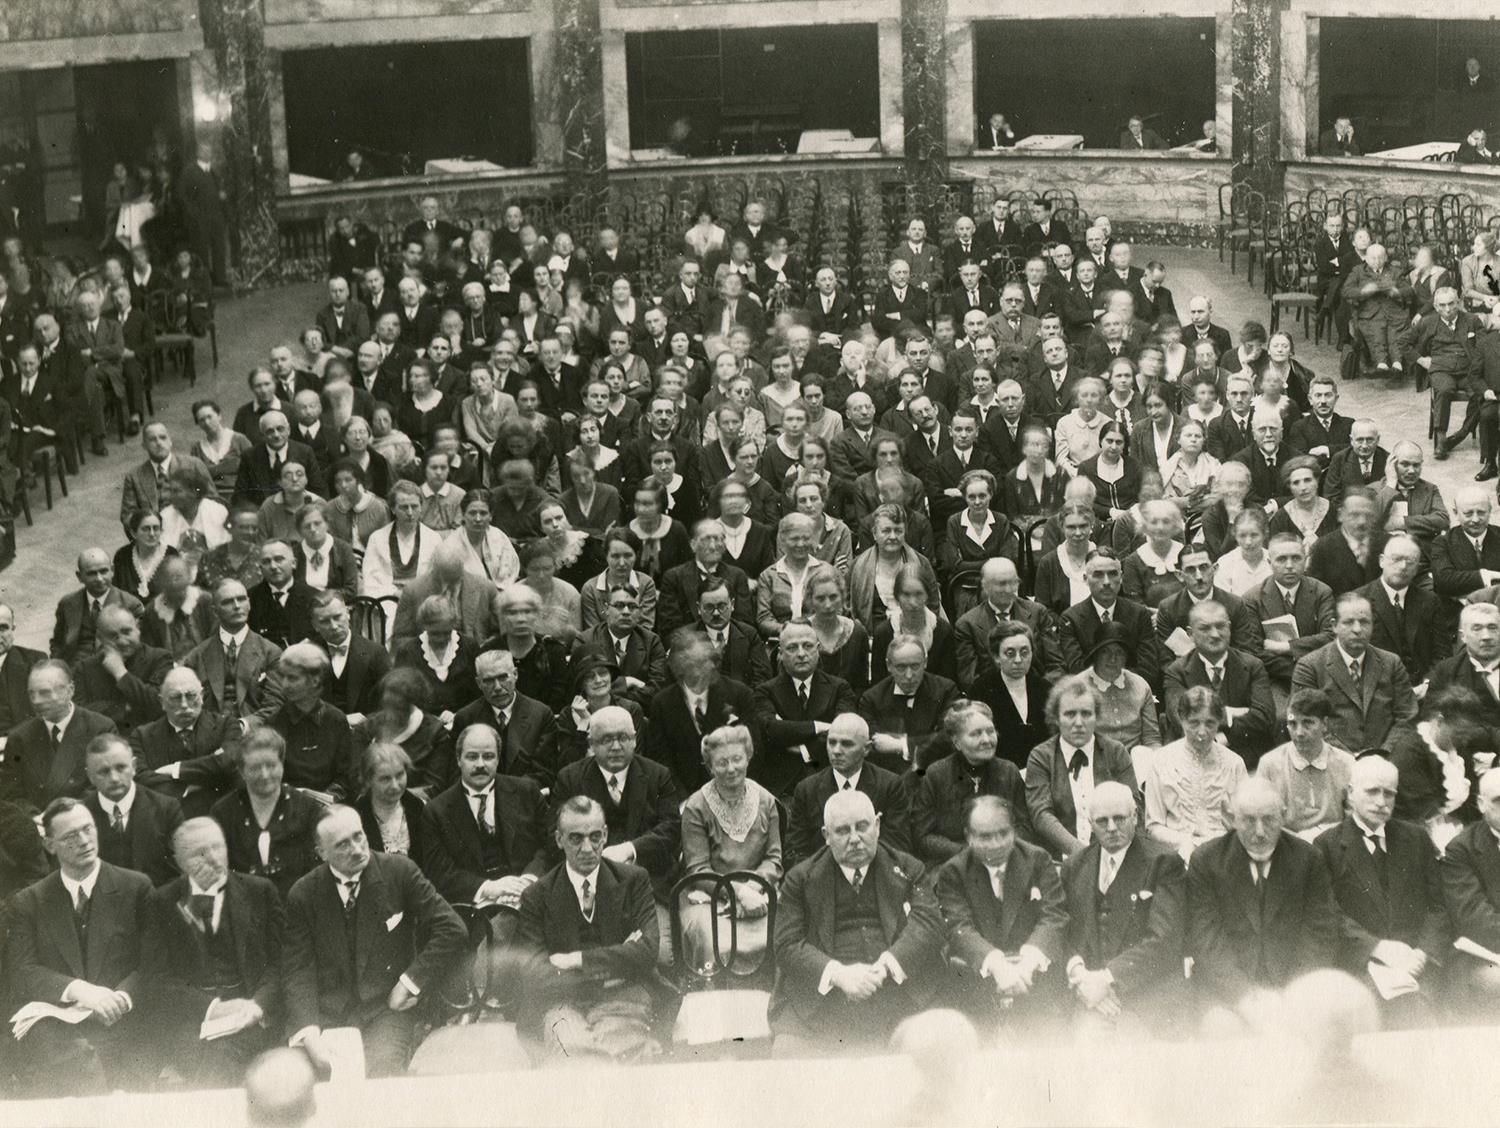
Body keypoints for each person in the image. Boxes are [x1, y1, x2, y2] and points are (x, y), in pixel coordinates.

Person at [282, 804, 466, 1078]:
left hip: (384, 1010)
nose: (356, 849)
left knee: (381, 1076)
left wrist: (409, 983)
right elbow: (298, 970)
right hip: (325, 1014)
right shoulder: (304, 894)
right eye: (342, 845)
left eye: (359, 836)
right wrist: (310, 1034)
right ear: (321, 853)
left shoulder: (399, 872)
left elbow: (452, 928)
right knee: (299, 1078)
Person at [770, 789, 942, 1053]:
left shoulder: (909, 869)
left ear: (878, 825)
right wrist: (839, 975)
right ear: (826, 836)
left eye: (862, 827)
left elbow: (929, 925)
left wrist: (885, 966)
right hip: (823, 1002)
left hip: (896, 992)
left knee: (934, 1049)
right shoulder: (800, 879)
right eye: (842, 831)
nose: (855, 839)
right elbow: (787, 944)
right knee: (790, 1059)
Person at [3, 797, 155, 1095]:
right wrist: (79, 989)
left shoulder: (136, 887)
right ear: (50, 845)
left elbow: (154, 963)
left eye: (88, 829)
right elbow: (23, 970)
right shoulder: (29, 901)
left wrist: (122, 998)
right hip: (62, 1031)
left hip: (124, 1020)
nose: (84, 841)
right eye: (70, 836)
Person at [513, 795, 661, 1062]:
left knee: (619, 1048)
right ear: (559, 839)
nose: (587, 848)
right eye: (575, 838)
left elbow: (648, 952)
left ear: (605, 835)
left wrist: (575, 960)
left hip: (623, 997)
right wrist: (617, 961)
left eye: (595, 837)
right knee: (572, 1053)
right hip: (561, 1004)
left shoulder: (633, 881)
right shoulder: (537, 895)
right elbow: (536, 975)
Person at [140, 817, 284, 1086]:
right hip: (194, 1019)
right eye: (199, 854)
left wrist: (257, 1005)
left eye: (218, 847)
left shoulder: (259, 891)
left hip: (253, 1011)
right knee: (217, 1058)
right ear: (179, 862)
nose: (214, 860)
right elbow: (156, 978)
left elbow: (280, 964)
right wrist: (213, 1009)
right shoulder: (162, 902)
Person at [1186, 778, 1340, 1029]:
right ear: (1231, 818)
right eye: (1248, 820)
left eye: (1268, 819)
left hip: (1293, 988)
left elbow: (1320, 935)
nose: (1259, 831)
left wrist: (1293, 995)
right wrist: (1245, 999)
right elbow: (1207, 942)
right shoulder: (1206, 860)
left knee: (1314, 1029)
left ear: (1283, 816)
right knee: (1223, 1031)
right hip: (1227, 992)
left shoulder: (1308, 859)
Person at [1313, 756, 1447, 1024]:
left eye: (1389, 793)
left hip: (1416, 963)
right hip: (1362, 963)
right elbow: (1329, 915)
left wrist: (1422, 952)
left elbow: (1439, 905)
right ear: (1351, 794)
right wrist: (1377, 948)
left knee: (1425, 1015)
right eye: (1372, 791)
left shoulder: (1416, 838)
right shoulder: (1326, 845)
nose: (1381, 801)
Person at [1060, 780, 1189, 1035]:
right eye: (1102, 821)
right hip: (1089, 993)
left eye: (1119, 819)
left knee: (1130, 1043)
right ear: (1090, 823)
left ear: (1136, 817)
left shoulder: (1164, 862)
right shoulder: (1075, 866)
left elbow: (1164, 940)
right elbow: (1064, 931)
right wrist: (1081, 976)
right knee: (1086, 1040)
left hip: (1147, 992)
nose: (1111, 828)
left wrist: (1106, 979)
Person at [933, 793, 1067, 1027]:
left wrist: (1028, 963)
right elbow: (958, 927)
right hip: (978, 987)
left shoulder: (1038, 859)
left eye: (1003, 834)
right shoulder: (953, 872)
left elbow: (1054, 915)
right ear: (968, 836)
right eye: (984, 837)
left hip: (1035, 982)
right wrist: (997, 965)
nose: (995, 844)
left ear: (1014, 830)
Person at [677, 724, 782, 971]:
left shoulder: (766, 800)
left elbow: (774, 859)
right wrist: (737, 893)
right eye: (722, 763)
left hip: (761, 892)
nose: (731, 768)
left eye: (737, 759)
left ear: (748, 758)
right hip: (709, 897)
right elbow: (697, 869)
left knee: (784, 939)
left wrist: (753, 890)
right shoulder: (696, 806)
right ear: (710, 767)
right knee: (720, 946)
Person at [1024, 675, 1140, 859]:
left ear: (1097, 716)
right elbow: (1041, 815)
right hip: (1060, 859)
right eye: (1070, 714)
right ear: (1056, 718)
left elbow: (1134, 807)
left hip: (1113, 854)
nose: (1078, 723)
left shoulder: (1116, 752)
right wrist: (1081, 853)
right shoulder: (1041, 757)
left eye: (1086, 714)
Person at [1291, 592, 1419, 752]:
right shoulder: (1310, 666)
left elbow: (1407, 717)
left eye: (1364, 622)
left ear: (1373, 625)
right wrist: (1348, 759)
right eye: (1349, 622)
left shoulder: (1391, 663)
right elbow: (1306, 722)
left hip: (1384, 761)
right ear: (1334, 626)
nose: (1357, 629)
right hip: (1332, 763)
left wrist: (1382, 754)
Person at [912, 700, 1034, 863]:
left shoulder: (1008, 772)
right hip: (952, 863)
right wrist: (970, 853)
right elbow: (923, 836)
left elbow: (1025, 827)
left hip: (1004, 860)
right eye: (976, 734)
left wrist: (998, 848)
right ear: (957, 742)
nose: (986, 740)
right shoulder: (936, 774)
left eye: (990, 731)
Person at [752, 620, 860, 798]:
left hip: (831, 783)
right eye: (792, 648)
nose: (801, 654)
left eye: (808, 646)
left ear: (818, 649)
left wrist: (802, 748)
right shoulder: (765, 691)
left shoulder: (840, 688)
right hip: (781, 788)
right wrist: (820, 727)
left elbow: (844, 732)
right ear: (780, 653)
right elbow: (770, 730)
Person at [644, 629, 759, 795]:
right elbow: (661, 761)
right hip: (683, 799)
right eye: (701, 662)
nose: (712, 666)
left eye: (712, 659)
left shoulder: (739, 695)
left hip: (733, 792)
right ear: (680, 668)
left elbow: (752, 753)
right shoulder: (662, 704)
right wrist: (684, 803)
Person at [1162, 601, 1277, 765]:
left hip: (1246, 757)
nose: (1215, 634)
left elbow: (1264, 718)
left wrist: (1224, 737)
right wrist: (1230, 713)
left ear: (1229, 627)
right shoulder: (1177, 672)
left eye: (1220, 626)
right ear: (1190, 633)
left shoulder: (1252, 666)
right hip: (1195, 758)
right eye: (1205, 628)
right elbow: (1181, 720)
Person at [1142, 687, 1250, 859]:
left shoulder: (1234, 763)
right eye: (1194, 723)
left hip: (1225, 854)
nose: (1202, 732)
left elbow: (1245, 821)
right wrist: (1185, 843)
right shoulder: (1161, 761)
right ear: (1182, 719)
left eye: (1210, 723)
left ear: (1219, 722)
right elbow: (1154, 825)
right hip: (1178, 853)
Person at [1, 659, 118, 814]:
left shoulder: (101, 729)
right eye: (31, 694)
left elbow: (106, 786)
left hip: (85, 820)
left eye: (44, 693)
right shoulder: (20, 738)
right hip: (37, 827)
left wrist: (60, 817)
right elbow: (11, 794)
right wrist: (33, 817)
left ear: (70, 690)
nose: (36, 701)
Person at [1386, 685, 1487, 844]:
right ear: (1439, 721)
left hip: (1456, 832)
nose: (1465, 740)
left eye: (1468, 735)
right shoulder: (1408, 753)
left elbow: (1473, 802)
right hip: (1415, 836)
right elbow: (1424, 813)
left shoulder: (1457, 749)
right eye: (1459, 733)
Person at [82, 731, 183, 886]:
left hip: (155, 902)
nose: (114, 778)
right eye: (103, 772)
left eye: (121, 767)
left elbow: (179, 872)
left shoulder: (166, 809)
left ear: (134, 766)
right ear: (90, 776)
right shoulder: (80, 814)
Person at [953, 557, 1064, 689]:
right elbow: (969, 679)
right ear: (985, 586)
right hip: (993, 698)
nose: (1009, 589)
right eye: (1002, 584)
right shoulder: (967, 625)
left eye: (1014, 583)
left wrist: (1040, 692)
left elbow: (1056, 665)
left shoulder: (1037, 613)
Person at [858, 635, 959, 775]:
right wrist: (926, 741)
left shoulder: (946, 690)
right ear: (889, 665)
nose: (909, 675)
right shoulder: (871, 699)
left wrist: (900, 745)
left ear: (925, 662)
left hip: (934, 775)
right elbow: (874, 746)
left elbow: (948, 738)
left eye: (915, 666)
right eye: (901, 667)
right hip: (889, 778)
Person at [570, 583, 669, 709]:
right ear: (606, 608)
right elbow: (581, 688)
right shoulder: (585, 640)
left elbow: (657, 691)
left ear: (640, 612)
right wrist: (626, 682)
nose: (626, 612)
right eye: (619, 606)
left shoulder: (651, 641)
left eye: (633, 607)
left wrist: (610, 695)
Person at [1079, 622, 1160, 751]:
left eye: (1119, 652)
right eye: (1105, 652)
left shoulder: (1141, 686)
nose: (1112, 659)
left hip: (1135, 761)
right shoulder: (1077, 687)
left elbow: (1152, 738)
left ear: (1126, 657)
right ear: (1096, 654)